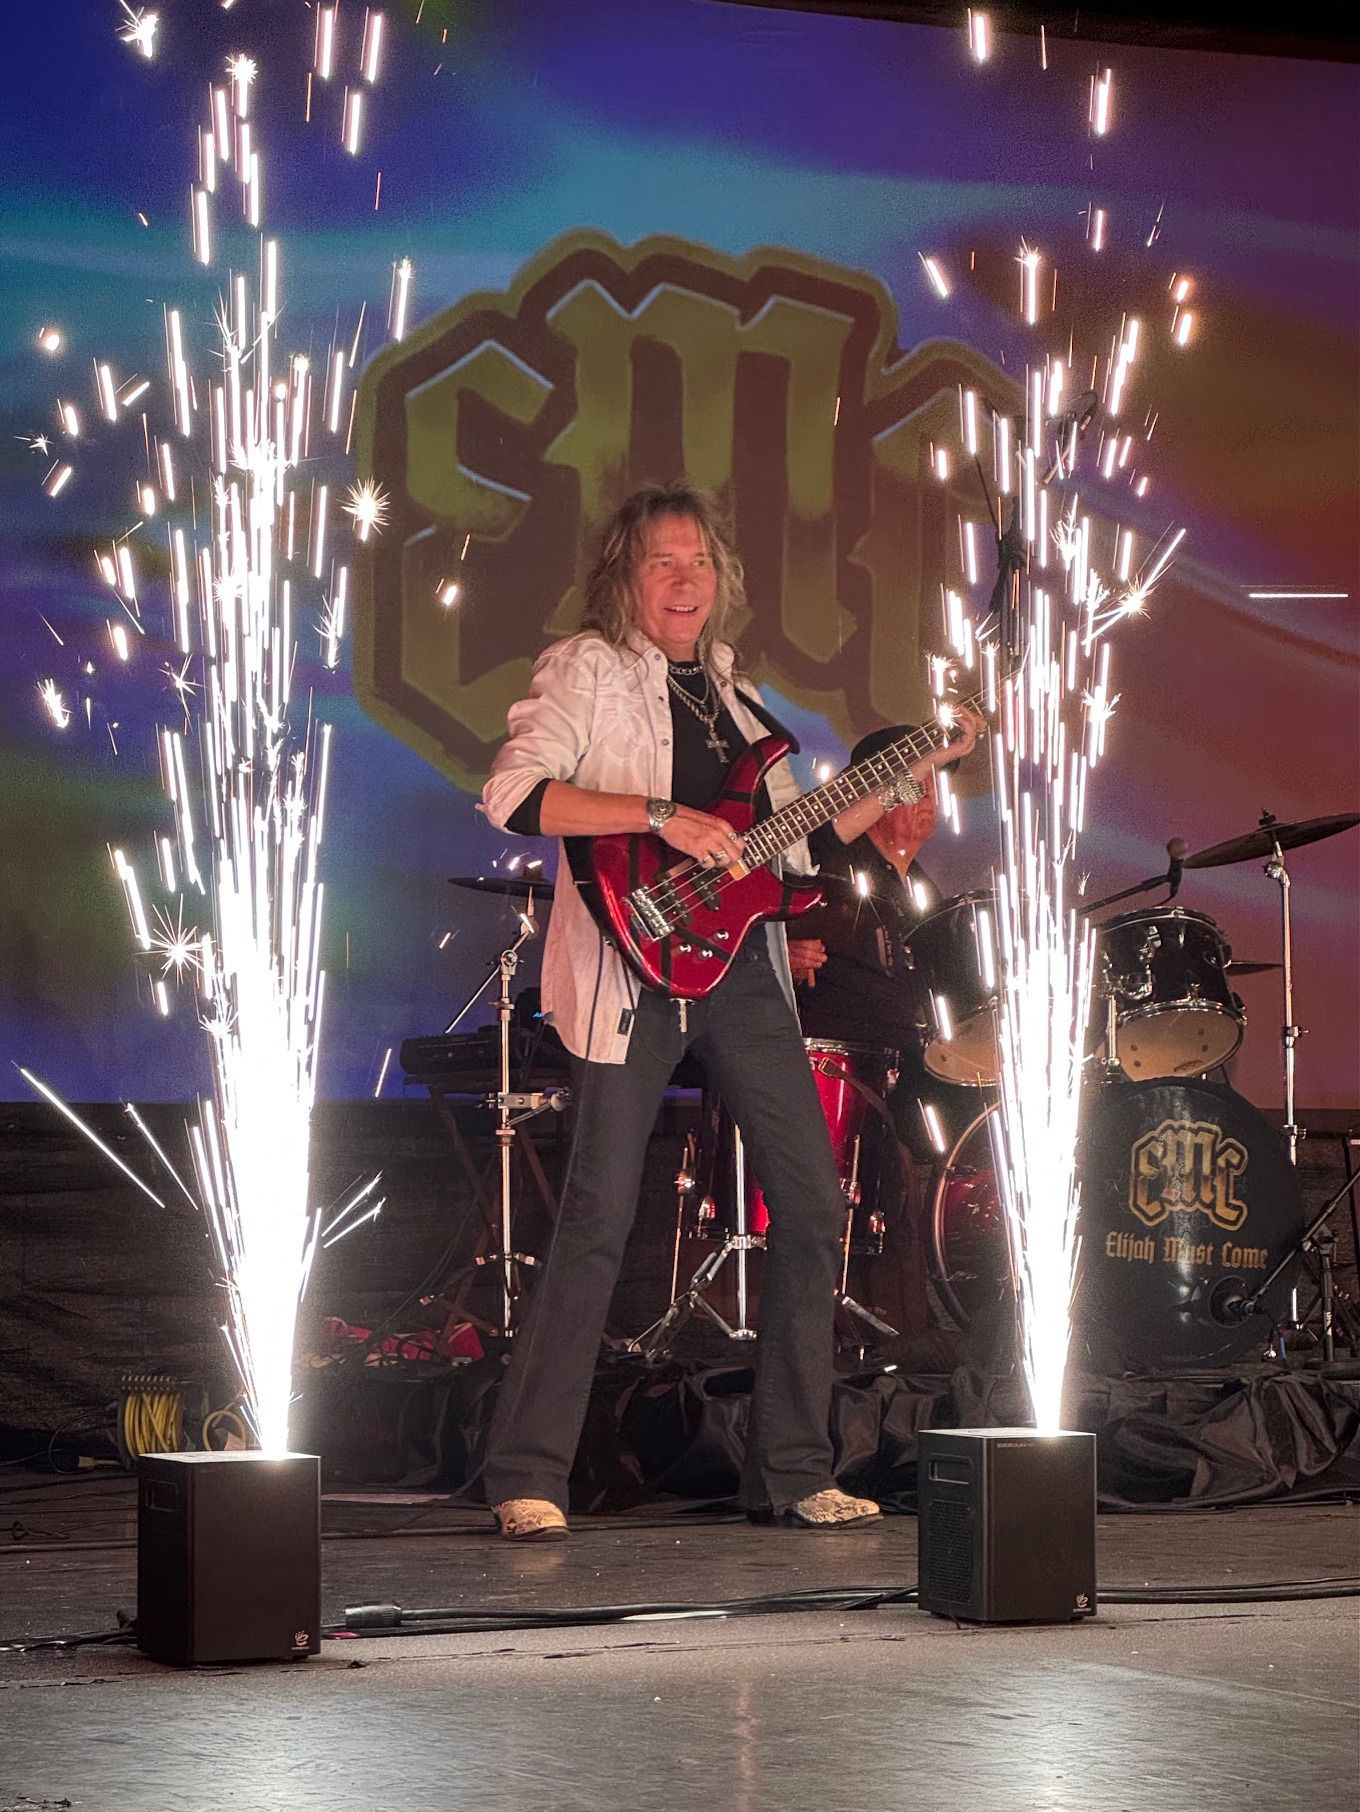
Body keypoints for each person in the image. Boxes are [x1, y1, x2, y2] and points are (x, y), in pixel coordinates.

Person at [479, 482, 978, 1539]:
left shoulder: (737, 697)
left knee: (814, 1204)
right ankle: (527, 1474)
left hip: (744, 972)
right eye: (663, 562)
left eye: (699, 562)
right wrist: (662, 815)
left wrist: (915, 764)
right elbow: (516, 794)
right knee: (598, 1215)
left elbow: (799, 846)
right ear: (624, 576)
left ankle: (791, 1472)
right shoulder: (587, 668)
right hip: (632, 964)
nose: (685, 580)